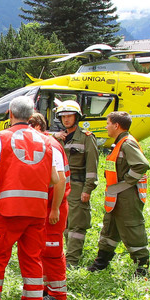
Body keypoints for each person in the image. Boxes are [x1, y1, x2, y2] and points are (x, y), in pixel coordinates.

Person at [0, 96, 63, 300]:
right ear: (31, 116)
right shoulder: (47, 141)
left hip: (9, 211)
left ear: (10, 114)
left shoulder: (2, 137)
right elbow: (55, 179)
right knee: (32, 257)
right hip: (38, 211)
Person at [87, 111, 150, 276]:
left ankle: (142, 267)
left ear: (116, 125)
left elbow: (141, 165)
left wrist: (128, 181)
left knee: (132, 229)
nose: (106, 126)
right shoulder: (119, 143)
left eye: (108, 123)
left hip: (127, 196)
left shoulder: (127, 143)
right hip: (116, 197)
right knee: (109, 230)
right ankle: (101, 262)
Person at [51, 100, 100, 268]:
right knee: (63, 223)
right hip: (60, 187)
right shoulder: (58, 138)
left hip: (78, 187)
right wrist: (53, 136)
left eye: (69, 116)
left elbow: (92, 168)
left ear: (77, 117)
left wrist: (88, 189)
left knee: (77, 225)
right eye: (63, 116)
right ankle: (65, 256)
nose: (66, 120)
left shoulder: (87, 138)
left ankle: (72, 262)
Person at [28, 114, 69, 300]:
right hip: (44, 207)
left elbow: (60, 181)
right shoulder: (41, 145)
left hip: (54, 206)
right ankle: (45, 288)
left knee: (52, 249)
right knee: (41, 248)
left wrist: (54, 209)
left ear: (36, 126)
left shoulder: (51, 146)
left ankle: (58, 294)